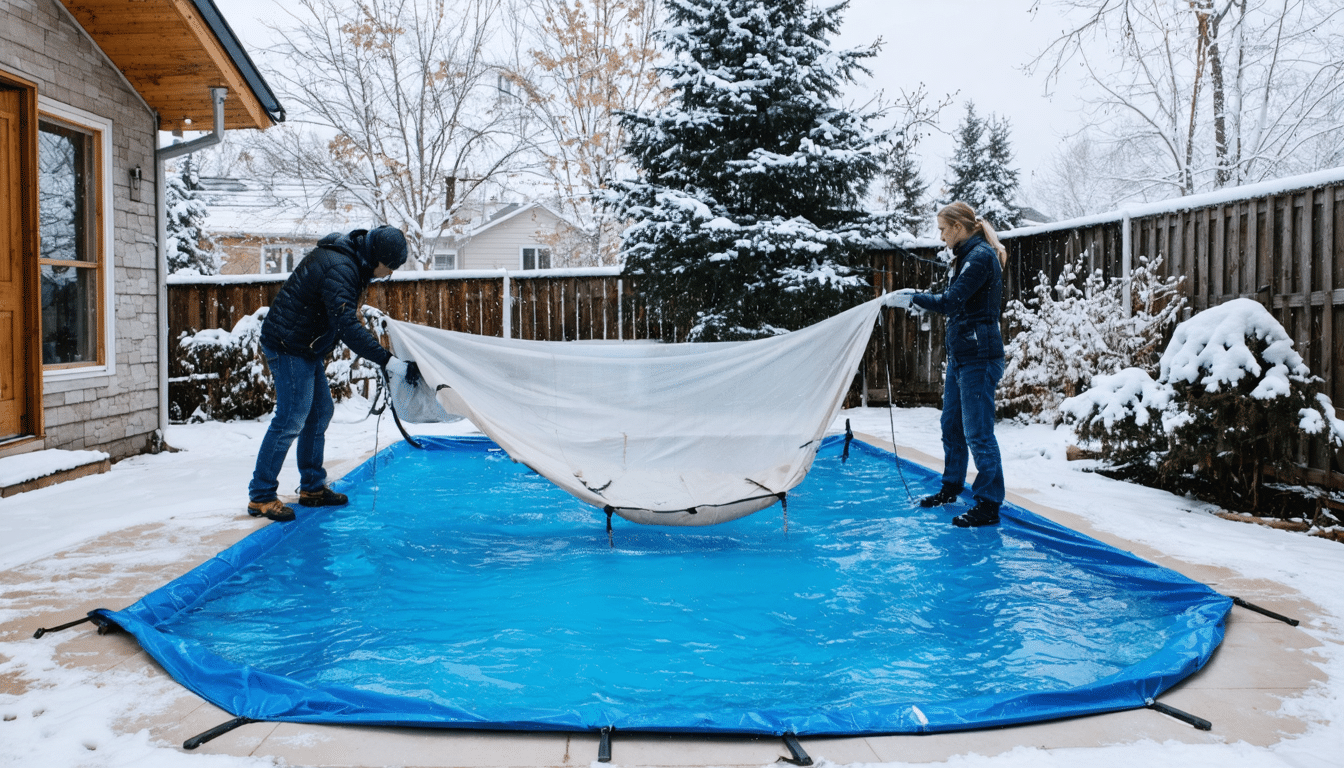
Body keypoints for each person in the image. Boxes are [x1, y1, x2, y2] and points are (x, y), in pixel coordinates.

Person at [246, 225, 419, 522]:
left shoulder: (352, 263)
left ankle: (312, 488)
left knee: (320, 412)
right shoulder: (341, 267)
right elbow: (348, 328)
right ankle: (261, 495)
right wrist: (389, 362)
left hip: (305, 346)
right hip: (288, 344)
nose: (390, 273)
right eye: (389, 267)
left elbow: (341, 314)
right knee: (292, 417)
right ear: (377, 257)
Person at [887, 202, 1007, 528]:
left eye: (943, 229)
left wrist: (913, 296)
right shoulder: (966, 258)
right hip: (962, 357)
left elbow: (951, 301)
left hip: (979, 359)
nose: (941, 237)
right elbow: (953, 299)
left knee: (978, 433)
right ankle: (952, 486)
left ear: (957, 226)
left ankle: (988, 504)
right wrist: (921, 299)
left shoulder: (980, 257)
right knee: (951, 425)